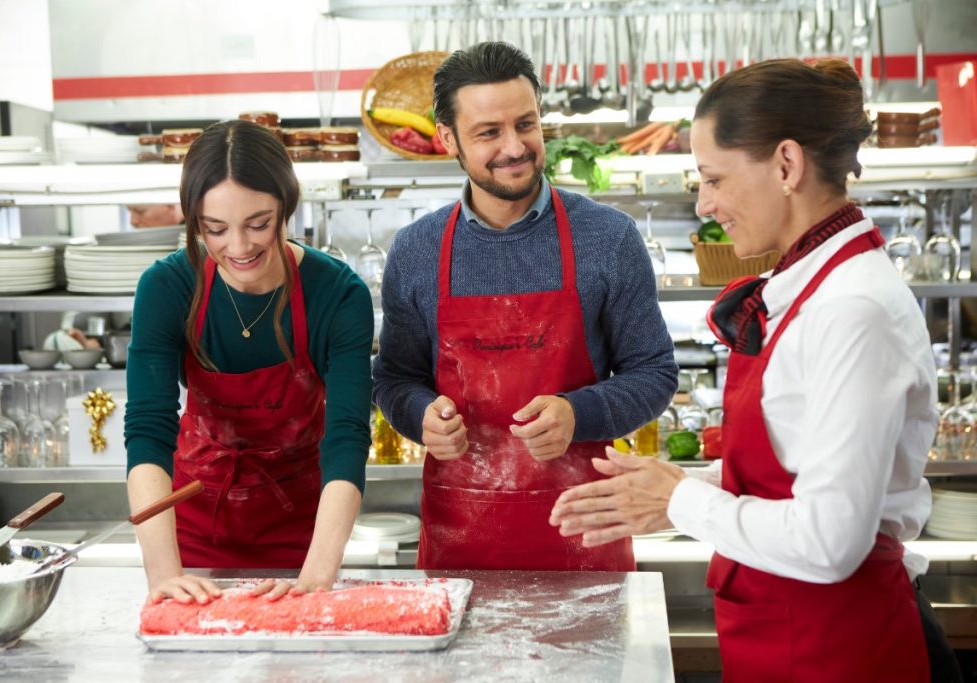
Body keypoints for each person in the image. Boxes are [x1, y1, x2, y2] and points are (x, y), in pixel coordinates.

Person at [551, 58, 962, 682]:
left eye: (713, 177)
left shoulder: (852, 307)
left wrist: (682, 499)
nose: (704, 202)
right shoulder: (810, 286)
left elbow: (829, 543)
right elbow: (796, 461)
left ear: (788, 165)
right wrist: (678, 490)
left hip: (845, 648)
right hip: (794, 635)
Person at [371, 42, 678, 572]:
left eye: (526, 124)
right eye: (488, 132)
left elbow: (654, 373)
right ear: (449, 140)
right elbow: (394, 378)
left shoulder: (608, 237)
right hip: (462, 539)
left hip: (586, 530)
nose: (514, 147)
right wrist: (419, 415)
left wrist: (576, 413)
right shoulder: (416, 249)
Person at [124, 120, 374, 604]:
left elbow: (347, 437)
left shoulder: (337, 294)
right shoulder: (166, 288)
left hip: (303, 539)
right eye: (214, 229)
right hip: (192, 532)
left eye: (259, 224)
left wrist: (316, 577)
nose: (238, 248)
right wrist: (163, 576)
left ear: (287, 206)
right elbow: (148, 429)